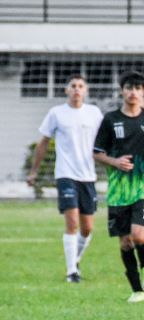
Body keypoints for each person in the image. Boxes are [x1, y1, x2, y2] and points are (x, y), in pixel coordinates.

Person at [93, 71, 144, 303]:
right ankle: (137, 290)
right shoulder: (110, 119)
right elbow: (96, 153)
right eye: (129, 87)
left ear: (143, 91)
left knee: (138, 235)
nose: (133, 92)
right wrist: (115, 162)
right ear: (122, 91)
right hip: (118, 190)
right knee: (125, 242)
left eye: (137, 88)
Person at [27, 74, 103, 283]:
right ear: (66, 90)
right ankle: (72, 272)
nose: (77, 89)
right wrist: (34, 171)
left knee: (87, 228)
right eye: (73, 86)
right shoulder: (56, 113)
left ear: (86, 91)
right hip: (65, 175)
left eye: (81, 86)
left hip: (88, 176)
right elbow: (43, 143)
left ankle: (74, 260)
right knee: (72, 223)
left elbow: (105, 141)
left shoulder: (94, 113)